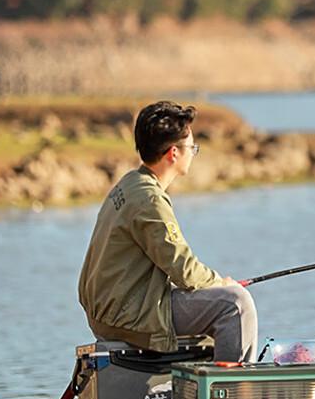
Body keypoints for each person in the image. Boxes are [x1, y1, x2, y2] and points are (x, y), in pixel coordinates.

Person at [78, 100, 258, 361]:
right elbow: (184, 270)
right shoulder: (150, 200)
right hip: (128, 315)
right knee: (236, 304)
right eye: (192, 148)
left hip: (111, 310)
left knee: (218, 300)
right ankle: (232, 397)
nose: (192, 154)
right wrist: (221, 282)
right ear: (173, 153)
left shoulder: (130, 183)